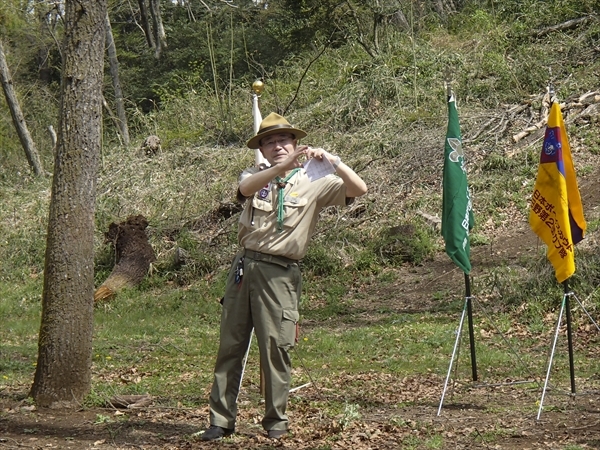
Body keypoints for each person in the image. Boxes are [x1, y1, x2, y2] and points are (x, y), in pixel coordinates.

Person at [201, 113, 367, 441]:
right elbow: (244, 189)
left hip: (278, 273)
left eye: (283, 141)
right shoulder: (256, 174)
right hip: (244, 268)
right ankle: (220, 420)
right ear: (261, 149)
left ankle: (275, 420)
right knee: (231, 345)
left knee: (276, 346)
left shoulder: (315, 179)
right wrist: (281, 167)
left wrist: (334, 162)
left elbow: (358, 189)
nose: (277, 146)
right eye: (269, 142)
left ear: (295, 143)